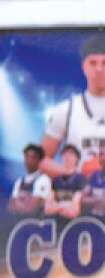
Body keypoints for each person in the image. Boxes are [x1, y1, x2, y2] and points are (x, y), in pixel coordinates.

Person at [38, 31, 105, 179]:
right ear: (84, 67)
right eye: (93, 63)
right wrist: (71, 174)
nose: (99, 69)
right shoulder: (67, 110)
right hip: (81, 197)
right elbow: (42, 159)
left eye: (104, 62)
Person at [43, 144, 86, 219]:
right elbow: (48, 208)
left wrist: (57, 207)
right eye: (64, 153)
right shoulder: (56, 180)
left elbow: (75, 210)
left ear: (77, 158)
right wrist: (65, 206)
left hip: (75, 223)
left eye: (70, 154)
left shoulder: (81, 179)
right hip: (56, 221)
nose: (67, 156)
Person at [6, 144, 52, 215]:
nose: (29, 160)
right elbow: (10, 206)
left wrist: (19, 203)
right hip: (19, 222)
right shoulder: (20, 181)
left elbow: (32, 208)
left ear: (39, 161)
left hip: (36, 223)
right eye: (27, 157)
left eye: (33, 157)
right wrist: (25, 203)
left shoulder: (43, 180)